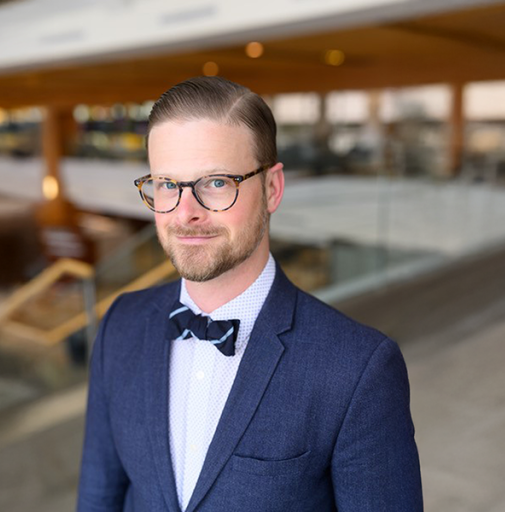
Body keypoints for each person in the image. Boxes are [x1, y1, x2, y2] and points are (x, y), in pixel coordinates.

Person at [77, 76, 423, 512]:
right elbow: (98, 497)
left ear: (272, 189)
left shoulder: (357, 368)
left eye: (217, 183)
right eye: (167, 184)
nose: (186, 213)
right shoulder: (120, 324)